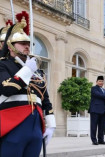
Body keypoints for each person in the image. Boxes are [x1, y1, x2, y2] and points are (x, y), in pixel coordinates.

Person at [0, 11, 55, 157]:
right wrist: (27, 70)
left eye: (29, 44)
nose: (27, 46)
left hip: (35, 126)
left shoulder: (37, 71)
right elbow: (7, 89)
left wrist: (51, 124)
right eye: (23, 44)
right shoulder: (3, 65)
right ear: (11, 46)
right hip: (12, 124)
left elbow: (45, 99)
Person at [89, 76, 105, 145]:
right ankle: (94, 140)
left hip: (103, 111)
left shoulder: (104, 90)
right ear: (96, 82)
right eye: (99, 81)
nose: (101, 82)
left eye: (102, 81)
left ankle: (101, 139)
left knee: (101, 126)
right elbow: (99, 95)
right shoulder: (94, 88)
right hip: (95, 110)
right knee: (94, 126)